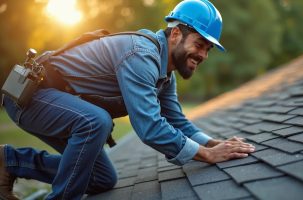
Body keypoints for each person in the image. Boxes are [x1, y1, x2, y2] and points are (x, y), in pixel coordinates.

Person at [0, 0, 255, 199]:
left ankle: (10, 161)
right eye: (200, 44)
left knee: (102, 179)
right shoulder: (141, 55)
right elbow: (150, 128)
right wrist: (207, 156)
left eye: (208, 49)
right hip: (31, 96)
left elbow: (177, 121)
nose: (204, 55)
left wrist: (213, 144)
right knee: (95, 122)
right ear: (176, 34)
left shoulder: (164, 74)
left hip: (61, 106)